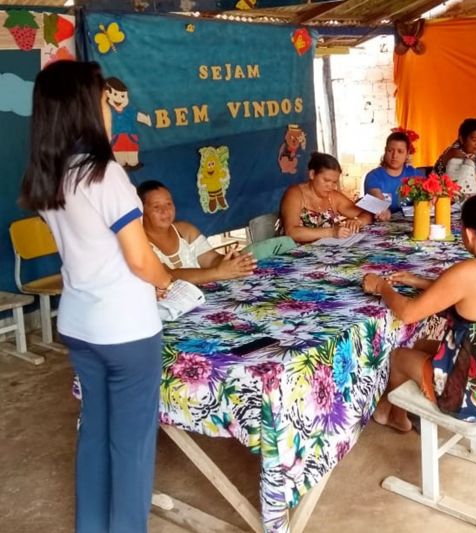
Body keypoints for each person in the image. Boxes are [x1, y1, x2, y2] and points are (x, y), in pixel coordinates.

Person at [18, 61, 173, 533]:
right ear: (86, 108)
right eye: (106, 102)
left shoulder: (49, 176)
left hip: (80, 325)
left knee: (95, 434)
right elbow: (140, 261)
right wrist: (167, 279)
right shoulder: (105, 175)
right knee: (131, 445)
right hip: (124, 330)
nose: (110, 111)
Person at [362, 194, 476, 431]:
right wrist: (420, 282)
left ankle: (396, 416)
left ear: (468, 233)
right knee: (421, 345)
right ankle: (387, 410)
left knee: (398, 357)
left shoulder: (471, 271)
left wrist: (381, 287)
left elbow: (408, 313)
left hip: (474, 394)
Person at [137, 180, 256, 283]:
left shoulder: (185, 230)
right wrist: (217, 273)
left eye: (169, 204)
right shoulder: (138, 243)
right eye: (156, 207)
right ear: (141, 211)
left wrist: (232, 262)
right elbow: (167, 275)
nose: (165, 211)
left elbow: (211, 260)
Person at [280, 152, 373, 244]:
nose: (331, 186)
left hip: (325, 253)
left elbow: (366, 213)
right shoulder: (295, 194)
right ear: (312, 174)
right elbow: (292, 232)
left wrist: (358, 221)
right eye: (326, 180)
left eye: (334, 182)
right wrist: (332, 232)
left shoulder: (333, 196)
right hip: (296, 254)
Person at [363, 131, 420, 221]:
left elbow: (428, 195)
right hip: (381, 226)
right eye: (390, 150)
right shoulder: (373, 176)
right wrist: (383, 209)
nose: (394, 155)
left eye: (400, 151)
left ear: (407, 154)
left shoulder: (415, 174)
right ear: (385, 150)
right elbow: (376, 195)